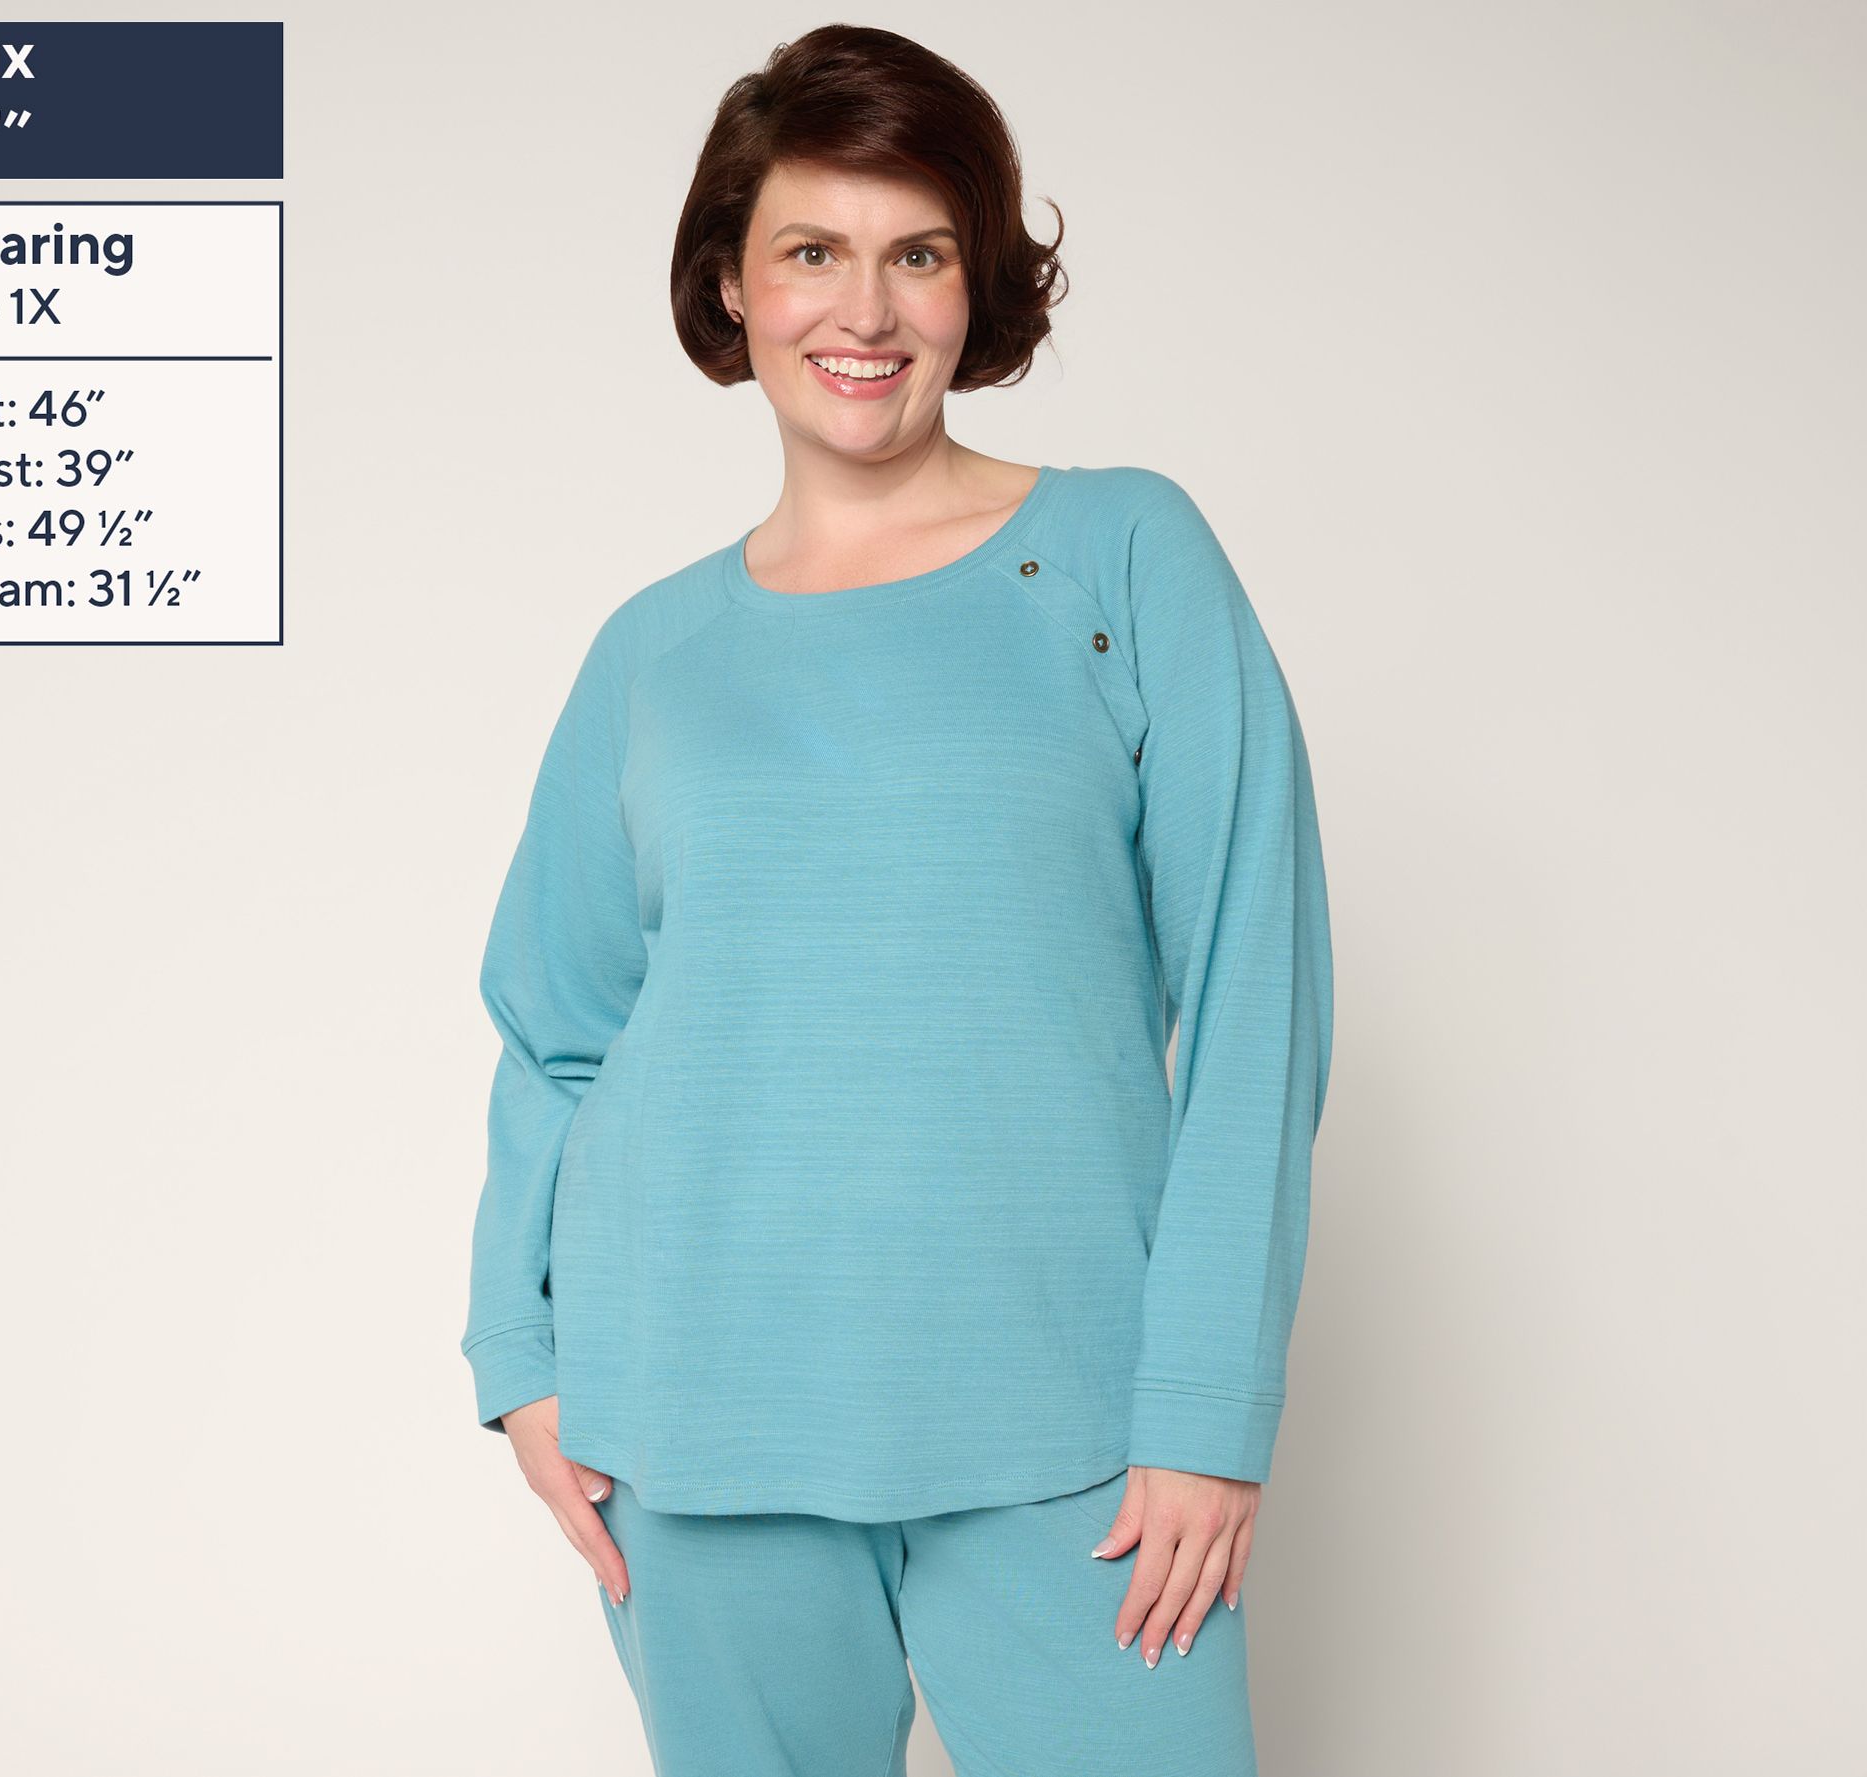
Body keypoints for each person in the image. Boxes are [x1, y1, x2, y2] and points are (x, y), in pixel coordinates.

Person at [459, 23, 1334, 1776]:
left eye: (917, 253)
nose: (865, 310)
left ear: (974, 282)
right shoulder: (652, 654)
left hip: (1077, 1430)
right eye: (812, 250)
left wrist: (1207, 1406)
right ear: (735, 283)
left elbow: (1259, 993)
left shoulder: (1124, 553)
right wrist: (522, 1354)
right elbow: (560, 1032)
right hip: (692, 1425)